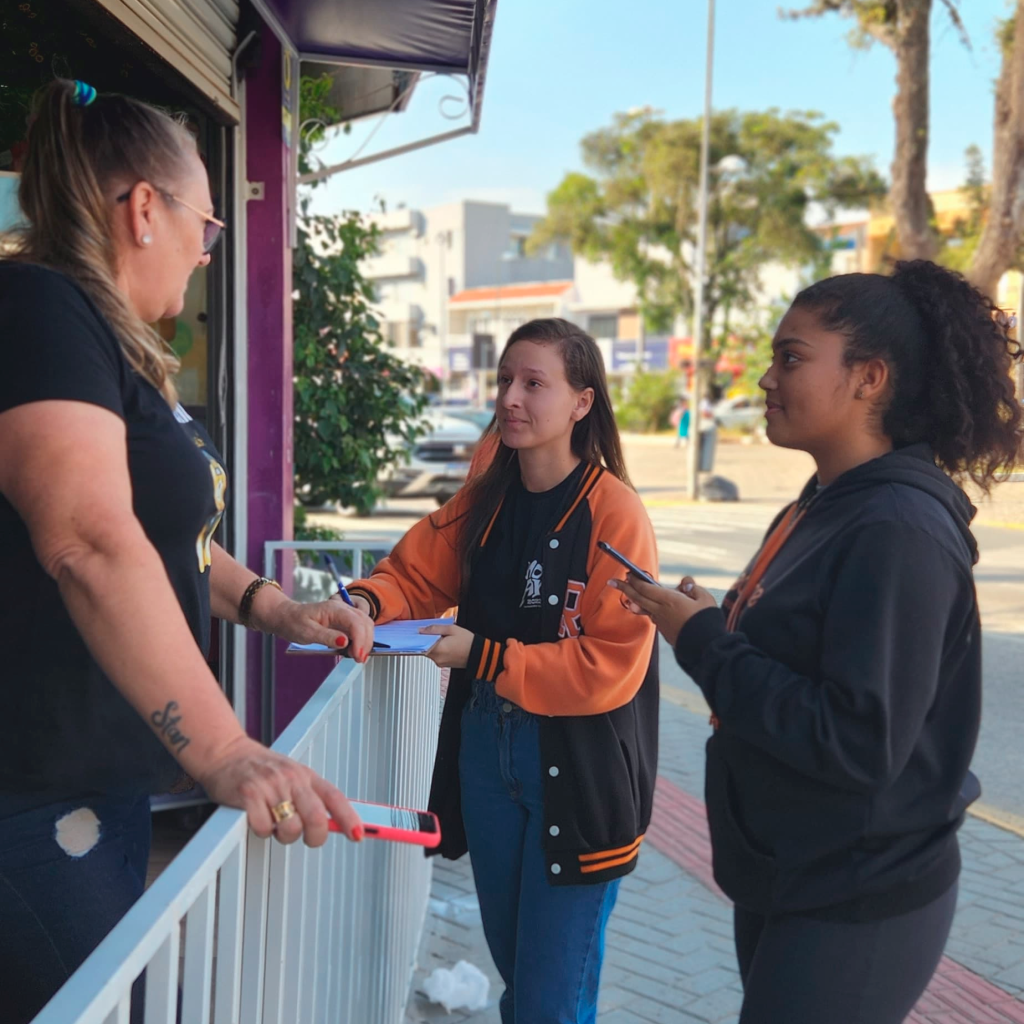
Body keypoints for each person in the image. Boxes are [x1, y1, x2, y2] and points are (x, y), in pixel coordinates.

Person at [0, 80, 375, 1024]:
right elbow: (88, 538)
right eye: (207, 227)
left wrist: (276, 608)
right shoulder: (35, 306)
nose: (209, 253)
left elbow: (171, 544)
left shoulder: (112, 349)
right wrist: (228, 751)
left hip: (101, 776)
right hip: (25, 790)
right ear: (142, 211)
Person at [613, 261, 1024, 1024]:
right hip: (790, 873)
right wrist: (709, 619)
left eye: (791, 358)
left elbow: (858, 741)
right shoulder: (825, 501)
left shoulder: (898, 529)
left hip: (858, 896)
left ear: (869, 378)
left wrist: (700, 639)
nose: (767, 379)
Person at [334, 318, 659, 1024]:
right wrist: (361, 602)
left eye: (534, 383)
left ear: (582, 402)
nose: (511, 397)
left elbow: (612, 664)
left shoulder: (615, 512)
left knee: (550, 1003)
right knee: (519, 979)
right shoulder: (487, 497)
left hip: (577, 771)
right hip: (487, 750)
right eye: (505, 380)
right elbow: (415, 573)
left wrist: (482, 655)